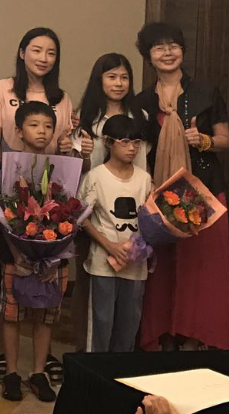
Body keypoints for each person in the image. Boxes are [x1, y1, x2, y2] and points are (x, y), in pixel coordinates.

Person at [134, 22, 229, 351]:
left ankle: (194, 338)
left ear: (183, 50)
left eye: (173, 45)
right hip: (162, 192)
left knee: (201, 270)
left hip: (203, 191)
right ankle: (164, 336)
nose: (167, 52)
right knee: (162, 269)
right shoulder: (142, 101)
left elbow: (225, 140)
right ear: (148, 55)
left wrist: (203, 140)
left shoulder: (205, 91)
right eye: (159, 47)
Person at [0, 27, 73, 382]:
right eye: (36, 50)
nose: (43, 58)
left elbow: (64, 143)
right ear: (22, 53)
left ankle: (40, 359)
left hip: (51, 186)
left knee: (46, 271)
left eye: (51, 52)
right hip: (10, 184)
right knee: (6, 273)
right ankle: (5, 356)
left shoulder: (62, 98)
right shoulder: (1, 89)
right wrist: (2, 184)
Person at [70, 52, 146, 350]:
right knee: (93, 290)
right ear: (99, 80)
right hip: (94, 207)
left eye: (124, 77)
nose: (118, 83)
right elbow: (76, 165)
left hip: (133, 205)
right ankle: (87, 351)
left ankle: (120, 356)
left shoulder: (140, 116)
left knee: (129, 302)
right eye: (111, 76)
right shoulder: (85, 116)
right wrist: (84, 153)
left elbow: (143, 164)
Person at [0, 101, 64, 403]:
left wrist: (55, 256)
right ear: (19, 130)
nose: (42, 131)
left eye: (48, 126)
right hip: (16, 256)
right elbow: (2, 213)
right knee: (13, 315)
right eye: (34, 125)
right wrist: (16, 252)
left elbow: (68, 213)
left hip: (51, 255)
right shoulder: (8, 165)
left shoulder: (61, 166)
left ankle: (38, 372)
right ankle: (11, 372)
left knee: (44, 315)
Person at [79, 115, 153, 352]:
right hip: (103, 262)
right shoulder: (96, 177)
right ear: (109, 142)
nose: (132, 148)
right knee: (101, 322)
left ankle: (120, 370)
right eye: (125, 142)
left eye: (136, 143)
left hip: (135, 263)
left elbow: (152, 219)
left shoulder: (144, 179)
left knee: (129, 325)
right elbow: (81, 217)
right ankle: (96, 370)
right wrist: (109, 245)